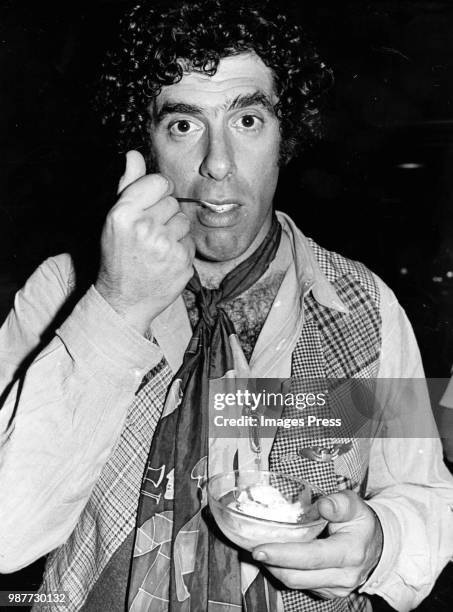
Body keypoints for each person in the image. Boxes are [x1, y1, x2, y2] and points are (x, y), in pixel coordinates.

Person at [0, 1, 452, 611]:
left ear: (284, 134)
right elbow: (6, 534)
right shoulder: (62, 292)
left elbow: (429, 492)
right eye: (184, 125)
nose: (217, 165)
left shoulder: (365, 307)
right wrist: (115, 308)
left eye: (247, 121)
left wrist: (381, 543)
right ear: (146, 145)